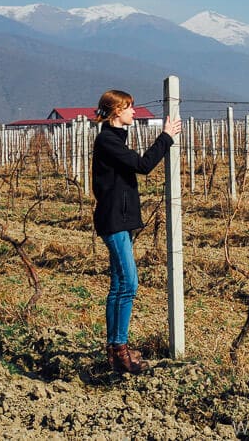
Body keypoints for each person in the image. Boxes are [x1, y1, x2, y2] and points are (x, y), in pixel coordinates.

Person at [91, 89, 181, 373]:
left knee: (119, 285)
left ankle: (116, 349)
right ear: (117, 112)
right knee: (128, 284)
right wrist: (166, 136)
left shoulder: (113, 139)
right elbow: (142, 165)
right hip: (114, 222)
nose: (134, 112)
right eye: (129, 108)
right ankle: (120, 349)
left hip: (120, 220)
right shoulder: (107, 141)